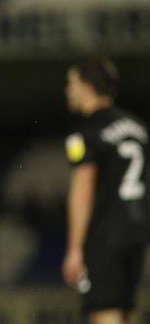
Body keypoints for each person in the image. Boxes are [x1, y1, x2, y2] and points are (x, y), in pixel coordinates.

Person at [62, 57, 149, 324]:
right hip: (138, 232)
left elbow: (82, 190)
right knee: (125, 312)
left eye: (72, 83)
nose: (68, 90)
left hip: (105, 236)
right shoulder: (138, 129)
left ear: (87, 87)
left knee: (105, 313)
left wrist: (75, 248)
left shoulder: (84, 134)